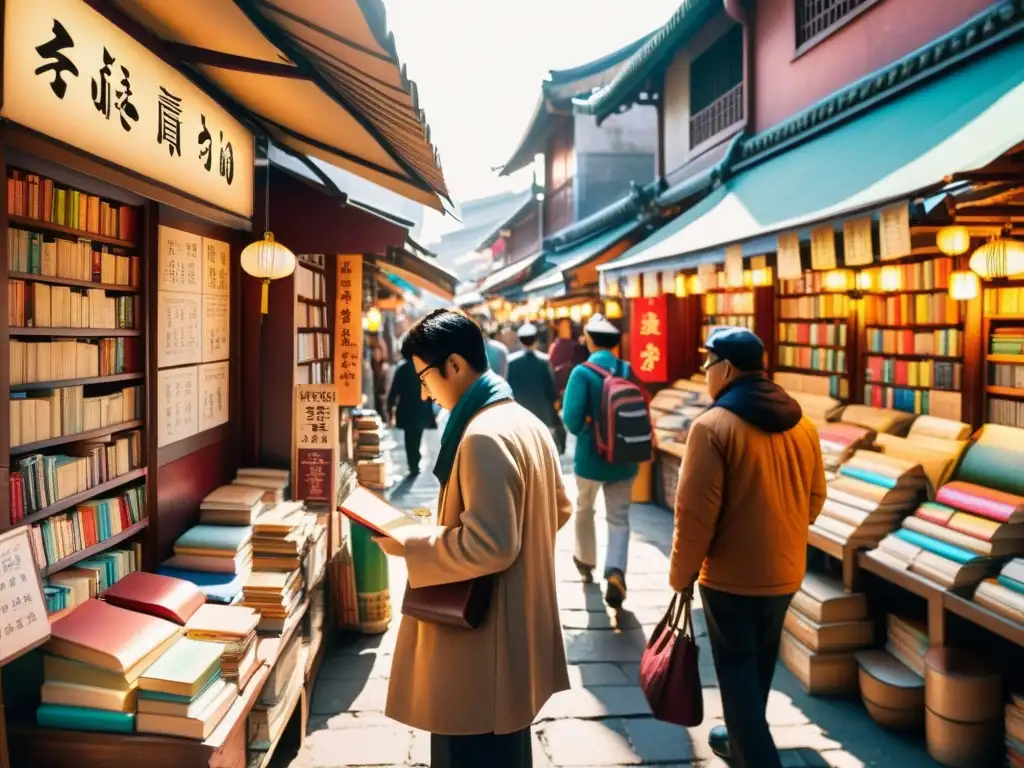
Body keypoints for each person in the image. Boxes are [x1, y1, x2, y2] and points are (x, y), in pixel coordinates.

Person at [377, 309, 572, 768]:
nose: (424, 390)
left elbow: (491, 545)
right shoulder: (521, 419)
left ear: (456, 366)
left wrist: (410, 545)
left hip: (482, 640)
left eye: (425, 376)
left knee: (471, 748)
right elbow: (559, 507)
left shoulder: (482, 434)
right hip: (515, 627)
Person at [670, 327, 826, 768]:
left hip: (730, 577)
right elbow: (815, 498)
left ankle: (754, 755)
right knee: (758, 665)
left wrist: (681, 576)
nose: (705, 374)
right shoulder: (804, 424)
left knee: (736, 672)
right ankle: (740, 740)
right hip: (786, 569)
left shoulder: (712, 427)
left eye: (707, 365)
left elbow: (695, 517)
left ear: (728, 368)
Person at [561, 314, 638, 608]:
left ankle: (585, 560)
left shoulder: (582, 373)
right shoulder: (626, 369)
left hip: (591, 457)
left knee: (584, 509)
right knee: (619, 517)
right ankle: (616, 570)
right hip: (625, 457)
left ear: (591, 340)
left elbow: (570, 417)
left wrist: (587, 432)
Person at [386, 346, 435, 476]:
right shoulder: (424, 370)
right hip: (421, 409)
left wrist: (389, 411)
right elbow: (431, 391)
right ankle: (415, 462)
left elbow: (393, 393)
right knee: (417, 437)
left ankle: (412, 464)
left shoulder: (401, 370)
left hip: (406, 410)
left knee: (409, 439)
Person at [506, 322, 559, 429]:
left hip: (519, 413)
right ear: (535, 340)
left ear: (520, 340)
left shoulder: (510, 361)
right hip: (542, 413)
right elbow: (550, 388)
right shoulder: (544, 360)